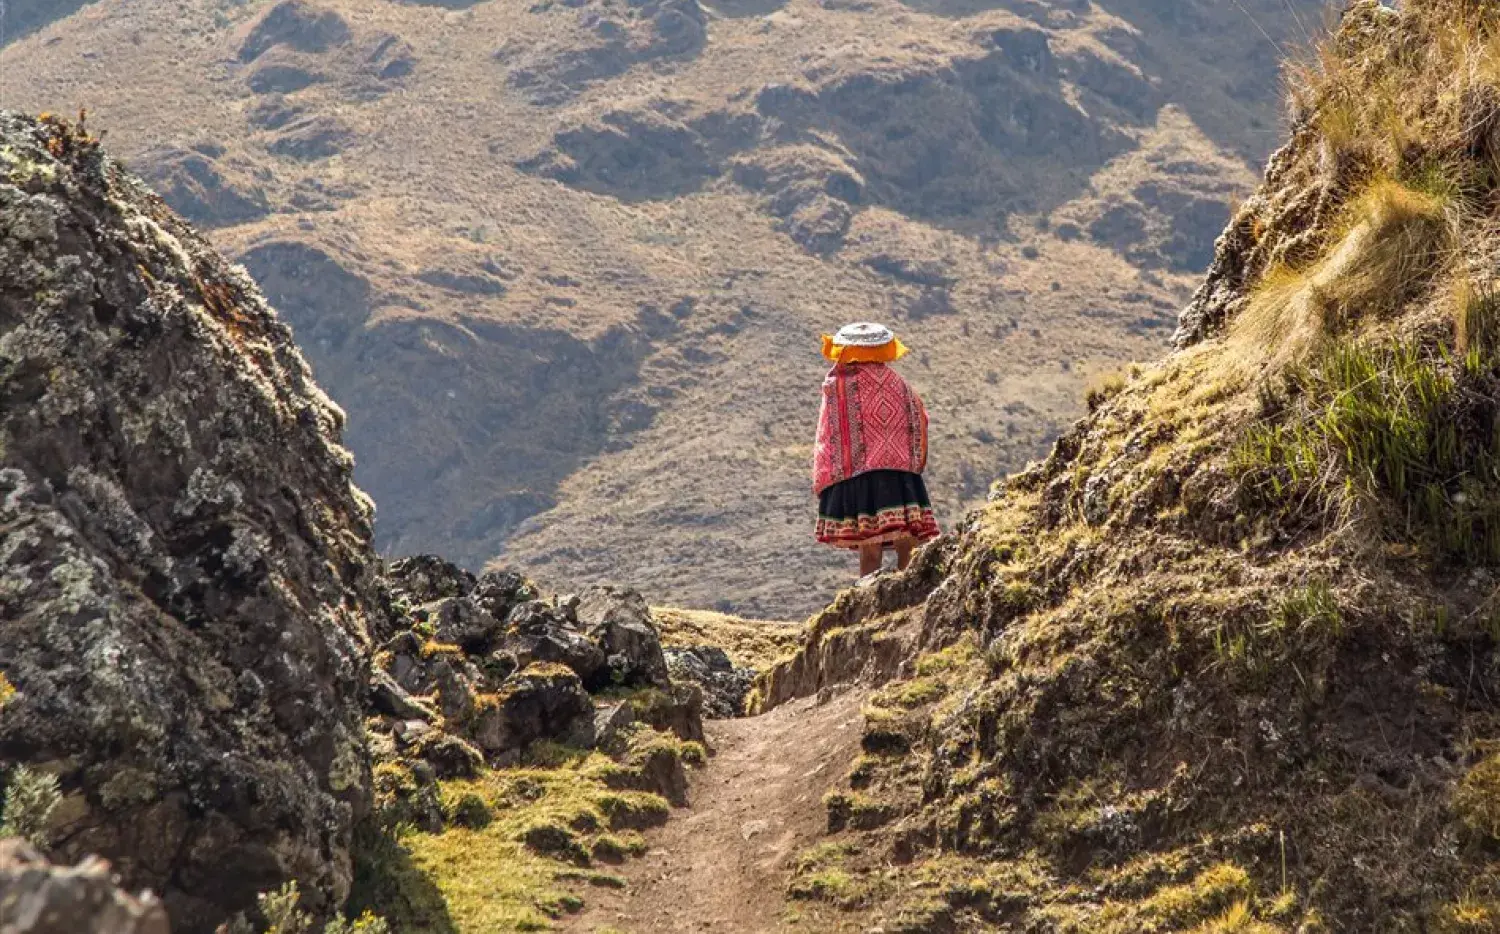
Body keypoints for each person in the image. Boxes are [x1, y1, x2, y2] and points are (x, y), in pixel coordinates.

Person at [813, 322, 941, 578]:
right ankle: (909, 586)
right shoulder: (899, 384)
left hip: (860, 474)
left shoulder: (837, 385)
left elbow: (831, 433)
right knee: (907, 538)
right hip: (899, 472)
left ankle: (868, 594)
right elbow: (919, 419)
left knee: (869, 546)